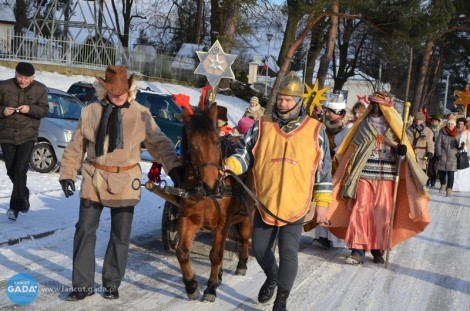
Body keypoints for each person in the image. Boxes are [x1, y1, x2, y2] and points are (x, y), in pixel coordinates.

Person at [59, 65, 183, 301]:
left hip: (125, 179)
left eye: (122, 91)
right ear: (104, 89)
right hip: (94, 177)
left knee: (120, 235)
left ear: (130, 89)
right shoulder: (90, 111)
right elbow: (77, 145)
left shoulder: (141, 113)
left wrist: (174, 167)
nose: (118, 95)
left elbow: (159, 143)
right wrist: (67, 173)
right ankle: (82, 285)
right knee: (84, 231)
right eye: (113, 91)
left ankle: (112, 282)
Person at [223, 71, 332, 311]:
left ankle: (282, 299)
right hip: (265, 201)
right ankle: (272, 276)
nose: (283, 103)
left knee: (288, 252)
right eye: (280, 98)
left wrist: (322, 202)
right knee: (259, 249)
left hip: (296, 203)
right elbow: (244, 154)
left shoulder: (315, 130)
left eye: (288, 99)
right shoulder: (262, 125)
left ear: (299, 101)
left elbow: (323, 171)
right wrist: (231, 165)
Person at [327, 91, 430, 265]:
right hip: (365, 173)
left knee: (382, 213)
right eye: (372, 104)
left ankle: (377, 248)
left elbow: (405, 158)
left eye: (378, 105)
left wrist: (401, 152)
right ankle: (357, 250)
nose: (374, 108)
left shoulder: (397, 129)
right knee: (361, 209)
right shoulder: (363, 125)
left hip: (387, 177)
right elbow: (353, 150)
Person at [0, 62, 48, 221]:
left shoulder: (40, 89)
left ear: (33, 77)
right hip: (6, 134)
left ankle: (15, 207)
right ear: (15, 74)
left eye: (27, 78)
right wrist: (2, 111)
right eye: (20, 77)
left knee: (20, 170)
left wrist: (30, 109)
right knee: (11, 171)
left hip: (28, 135)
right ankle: (24, 192)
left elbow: (44, 110)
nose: (23, 80)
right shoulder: (3, 86)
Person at [312, 92, 353, 250]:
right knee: (321, 201)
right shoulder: (321, 125)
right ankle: (322, 236)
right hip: (323, 169)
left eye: (330, 111)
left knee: (335, 204)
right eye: (326, 110)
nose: (327, 113)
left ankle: (336, 238)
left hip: (339, 171)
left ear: (340, 114)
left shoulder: (348, 129)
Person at [435, 114, 460, 197]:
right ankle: (443, 184)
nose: (450, 125)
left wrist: (460, 146)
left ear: (454, 125)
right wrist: (438, 153)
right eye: (448, 124)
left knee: (451, 173)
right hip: (443, 154)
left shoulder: (458, 133)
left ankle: (449, 189)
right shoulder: (442, 132)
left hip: (453, 156)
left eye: (451, 124)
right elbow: (438, 143)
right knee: (441, 171)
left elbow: (460, 144)